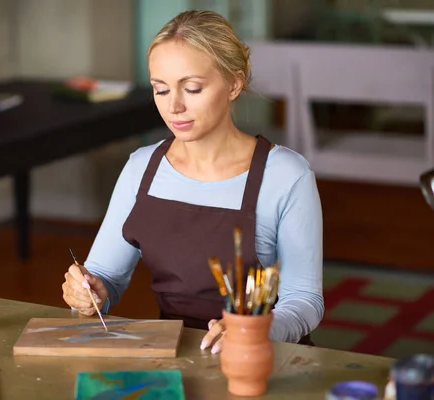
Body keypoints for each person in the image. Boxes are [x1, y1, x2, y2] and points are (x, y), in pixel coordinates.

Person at [62, 9, 324, 354]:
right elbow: (103, 277)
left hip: (262, 358)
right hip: (175, 356)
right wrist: (86, 292)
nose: (175, 106)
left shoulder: (286, 175)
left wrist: (254, 330)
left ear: (234, 83)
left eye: (192, 88)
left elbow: (304, 301)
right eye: (161, 89)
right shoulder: (142, 168)